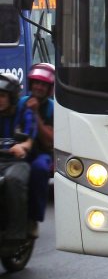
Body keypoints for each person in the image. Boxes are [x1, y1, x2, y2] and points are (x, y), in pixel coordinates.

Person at [0, 73, 36, 250]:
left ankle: (15, 235)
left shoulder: (24, 110)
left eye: (2, 96)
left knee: (13, 180)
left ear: (12, 97)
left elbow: (29, 137)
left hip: (17, 162)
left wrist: (23, 147)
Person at [20, 63, 55, 238]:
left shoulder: (52, 108)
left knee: (39, 170)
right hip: (17, 152)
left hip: (41, 154)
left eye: (43, 85)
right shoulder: (20, 103)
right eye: (36, 83)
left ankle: (33, 219)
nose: (38, 87)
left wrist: (35, 115)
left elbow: (49, 140)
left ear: (49, 89)